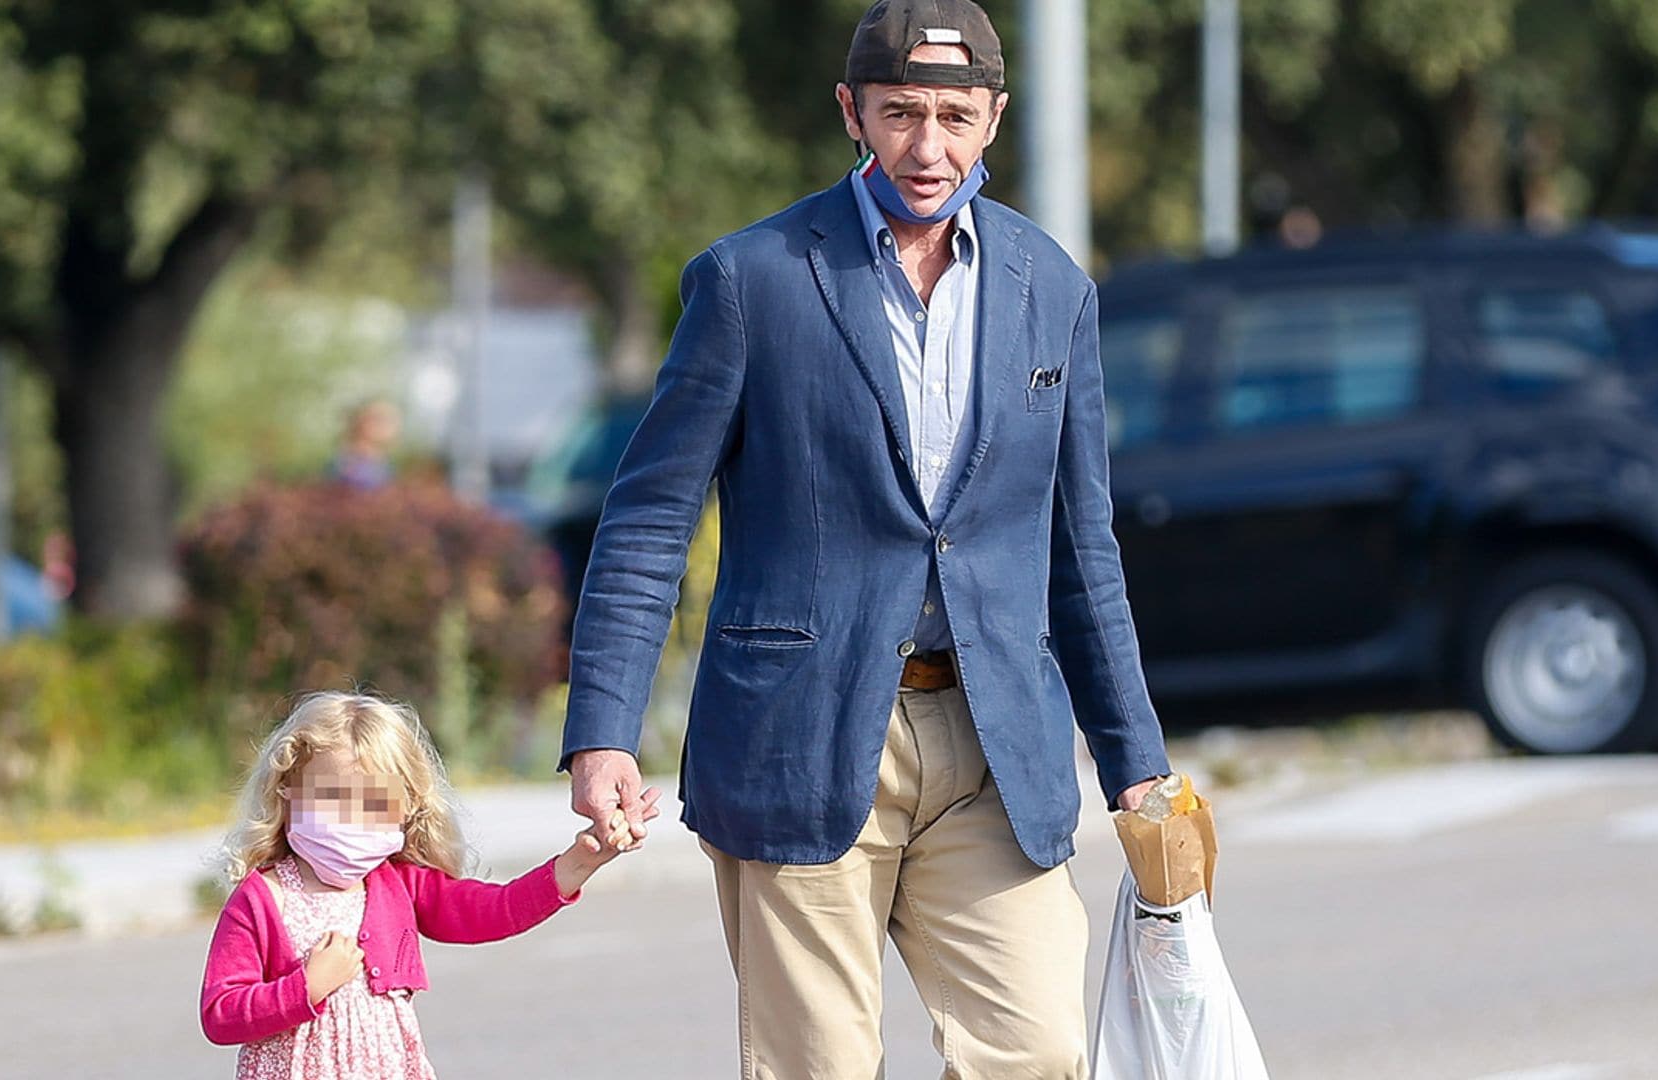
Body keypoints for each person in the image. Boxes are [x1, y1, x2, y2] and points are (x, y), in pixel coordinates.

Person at [560, 1, 1173, 1076]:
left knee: (1037, 1052)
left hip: (994, 742)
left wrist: (1137, 764)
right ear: (852, 110)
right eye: (898, 114)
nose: (926, 148)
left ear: (994, 118)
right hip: (798, 733)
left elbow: (1083, 549)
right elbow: (652, 516)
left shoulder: (1052, 289)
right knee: (819, 1067)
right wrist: (602, 731)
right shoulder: (750, 280)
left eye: (952, 115)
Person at [200, 691, 651, 1078]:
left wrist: (578, 863)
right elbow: (220, 1013)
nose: (352, 820)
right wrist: (306, 987)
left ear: (406, 809)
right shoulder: (261, 900)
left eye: (374, 805)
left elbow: (499, 910)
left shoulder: (399, 887)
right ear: (288, 791)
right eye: (333, 798)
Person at [330, 401, 400, 491]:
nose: (391, 427)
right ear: (361, 422)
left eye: (393, 421)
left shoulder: (382, 462)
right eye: (381, 419)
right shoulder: (347, 462)